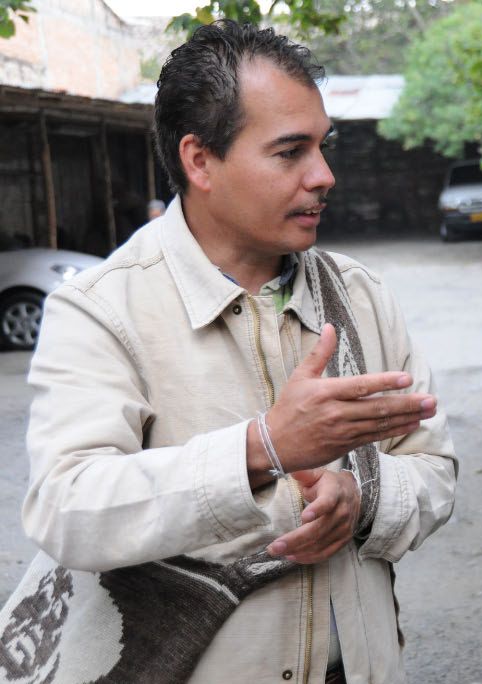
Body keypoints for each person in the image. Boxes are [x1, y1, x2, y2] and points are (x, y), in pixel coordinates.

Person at [0, 20, 456, 684]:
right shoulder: (102, 308)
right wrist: (261, 447)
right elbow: (66, 509)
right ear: (199, 160)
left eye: (323, 147)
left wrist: (361, 499)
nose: (324, 176)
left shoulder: (361, 296)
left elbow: (434, 468)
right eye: (290, 151)